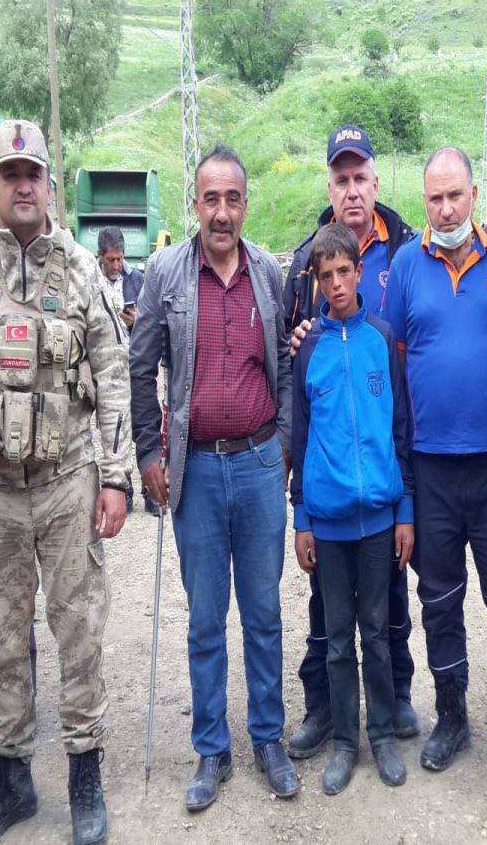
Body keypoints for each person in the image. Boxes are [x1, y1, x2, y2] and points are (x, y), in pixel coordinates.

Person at [282, 124, 487, 759]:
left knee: (392, 587)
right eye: (341, 179)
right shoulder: (306, 262)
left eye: (360, 177)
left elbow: (400, 344)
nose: (352, 190)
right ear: (329, 187)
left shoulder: (407, 247)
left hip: (395, 458)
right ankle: (325, 708)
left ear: (376, 182)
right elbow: (292, 356)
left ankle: (397, 699)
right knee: (329, 602)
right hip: (338, 469)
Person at [0, 120, 130, 845]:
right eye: (10, 174)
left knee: (79, 631)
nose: (23, 185)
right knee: (0, 638)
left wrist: (116, 477)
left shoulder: (81, 270)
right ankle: (12, 778)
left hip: (66, 482)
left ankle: (85, 772)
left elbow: (112, 375)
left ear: (49, 185)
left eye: (34, 174)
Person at [130, 144, 299, 812]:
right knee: (205, 620)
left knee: (263, 614)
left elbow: (283, 366)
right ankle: (210, 748)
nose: (221, 212)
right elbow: (140, 366)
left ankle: (268, 738)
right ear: (195, 205)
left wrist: (283, 443)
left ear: (245, 206)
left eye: (233, 199)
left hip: (258, 464)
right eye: (211, 199)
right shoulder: (165, 273)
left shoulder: (268, 272)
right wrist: (150, 452)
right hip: (195, 470)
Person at [379, 146, 487, 789]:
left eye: (456, 196)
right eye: (435, 198)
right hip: (431, 468)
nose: (447, 209)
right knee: (439, 599)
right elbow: (392, 357)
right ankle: (451, 717)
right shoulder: (405, 265)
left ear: (475, 196)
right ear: (423, 201)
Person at [290, 223, 414, 796]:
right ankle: (345, 741)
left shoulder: (382, 339)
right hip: (330, 521)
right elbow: (301, 434)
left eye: (345, 272)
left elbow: (400, 427)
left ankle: (382, 734)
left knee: (378, 632)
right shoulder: (309, 349)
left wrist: (405, 509)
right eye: (326, 275)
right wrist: (303, 518)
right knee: (337, 637)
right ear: (316, 282)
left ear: (360, 272)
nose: (337, 283)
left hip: (380, 520)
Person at [95, 226, 153, 515]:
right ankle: (122, 487)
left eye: (120, 259)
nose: (117, 265)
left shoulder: (137, 280)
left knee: (143, 423)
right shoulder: (89, 281)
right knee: (114, 427)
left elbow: (153, 323)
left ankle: (150, 486)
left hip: (135, 363)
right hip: (103, 366)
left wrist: (137, 321)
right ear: (100, 256)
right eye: (111, 260)